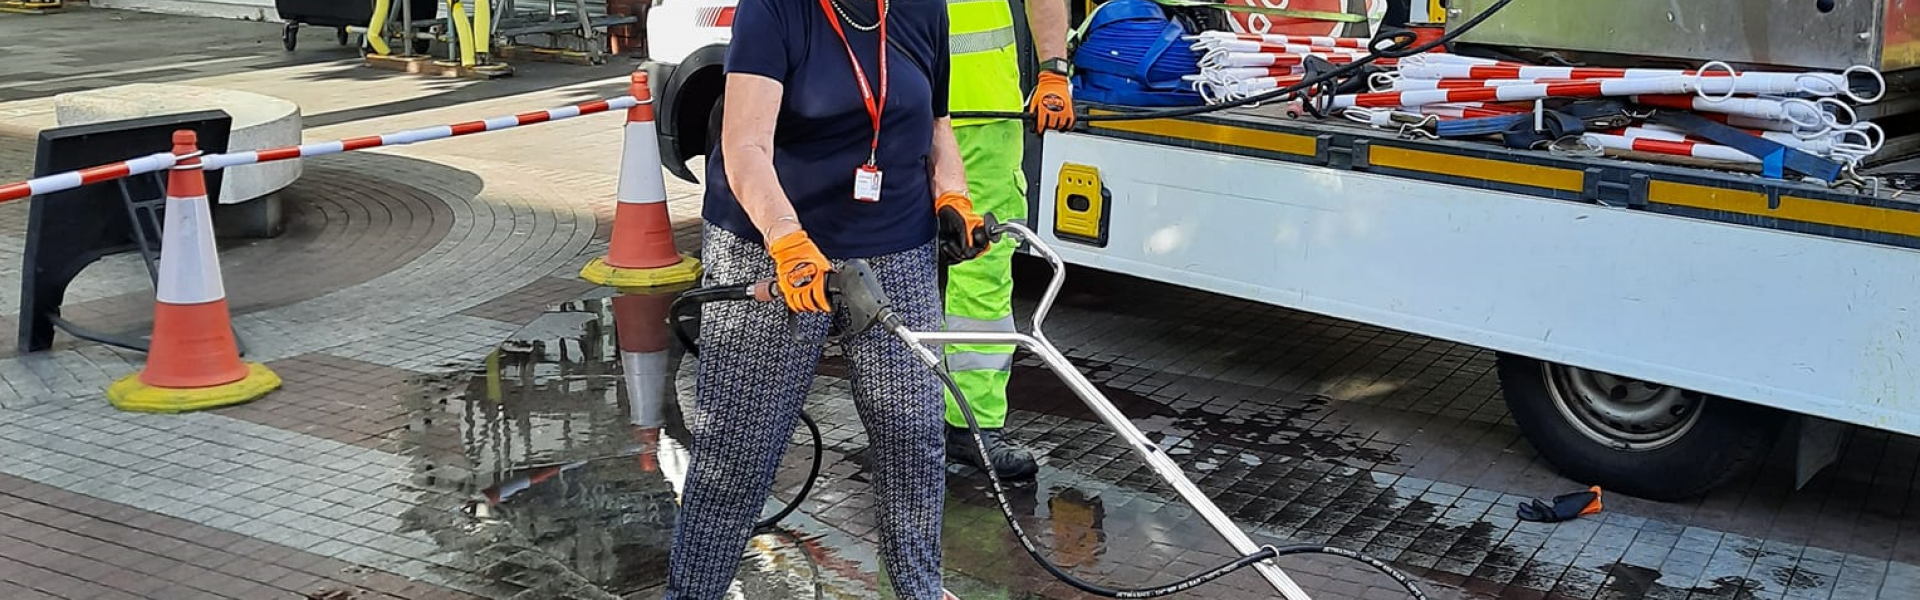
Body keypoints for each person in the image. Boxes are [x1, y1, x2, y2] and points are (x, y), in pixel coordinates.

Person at [661, 0, 990, 594]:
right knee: (739, 452)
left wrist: (953, 196)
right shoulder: (776, 10)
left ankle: (918, 589)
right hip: (774, 246)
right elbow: (744, 147)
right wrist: (787, 240)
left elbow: (935, 126)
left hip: (896, 245)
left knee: (914, 442)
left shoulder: (922, 9)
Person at [940, 0, 1074, 479]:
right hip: (911, 108)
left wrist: (1054, 71)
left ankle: (965, 424)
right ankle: (938, 422)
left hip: (976, 115)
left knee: (980, 274)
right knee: (887, 268)